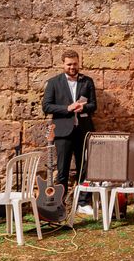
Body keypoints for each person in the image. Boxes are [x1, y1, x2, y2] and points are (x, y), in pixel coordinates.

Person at [42, 50, 97, 215]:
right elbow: (47, 106)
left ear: (79, 62)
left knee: (84, 168)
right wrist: (67, 108)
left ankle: (82, 202)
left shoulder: (87, 81)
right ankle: (60, 205)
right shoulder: (53, 82)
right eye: (69, 64)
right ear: (63, 64)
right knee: (63, 170)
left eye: (75, 64)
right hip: (62, 133)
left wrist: (83, 107)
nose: (73, 67)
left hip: (83, 131)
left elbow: (94, 105)